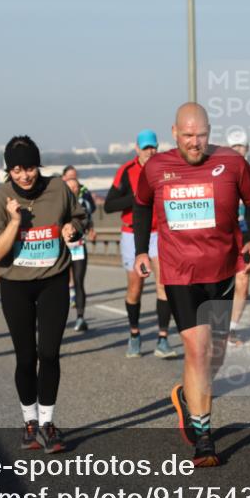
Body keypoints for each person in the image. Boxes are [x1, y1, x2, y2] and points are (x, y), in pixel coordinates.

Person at [134, 103, 250, 466]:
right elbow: (142, 206)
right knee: (197, 351)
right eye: (188, 136)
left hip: (223, 271)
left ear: (210, 131)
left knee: (215, 355)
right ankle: (204, 438)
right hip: (180, 275)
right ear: (174, 132)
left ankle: (185, 396)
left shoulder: (232, 163)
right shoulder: (156, 167)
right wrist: (143, 250)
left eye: (202, 135)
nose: (195, 143)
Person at [0, 136, 86, 453]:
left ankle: (48, 422)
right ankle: (29, 422)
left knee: (49, 353)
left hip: (53, 280)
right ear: (8, 171)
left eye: (29, 168)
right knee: (26, 357)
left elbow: (79, 216)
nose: (24, 176)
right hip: (16, 284)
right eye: (16, 170)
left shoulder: (57, 189)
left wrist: (73, 229)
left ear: (37, 166)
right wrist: (14, 222)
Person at [104, 130, 177, 359]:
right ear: (137, 149)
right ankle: (134, 334)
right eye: (145, 148)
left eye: (153, 147)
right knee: (135, 289)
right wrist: (137, 196)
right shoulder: (126, 171)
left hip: (161, 234)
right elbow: (108, 205)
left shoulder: (165, 168)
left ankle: (162, 339)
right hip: (133, 234)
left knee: (164, 285)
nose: (150, 151)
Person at [226, 129, 250, 345]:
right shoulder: (219, 171)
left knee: (243, 280)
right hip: (222, 233)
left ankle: (231, 329)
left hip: (244, 232)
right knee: (220, 283)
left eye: (241, 146)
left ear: (247, 149)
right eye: (234, 147)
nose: (238, 150)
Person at [65, 176, 97, 332]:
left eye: (75, 187)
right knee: (60, 283)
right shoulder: (59, 204)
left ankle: (80, 317)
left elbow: (87, 220)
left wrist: (90, 228)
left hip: (77, 246)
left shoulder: (84, 204)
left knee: (78, 281)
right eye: (69, 187)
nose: (73, 190)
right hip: (62, 248)